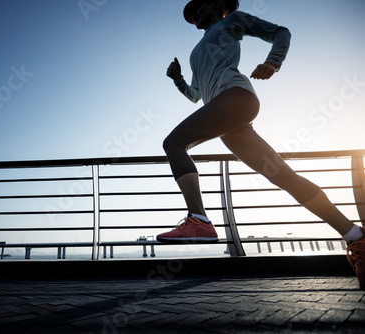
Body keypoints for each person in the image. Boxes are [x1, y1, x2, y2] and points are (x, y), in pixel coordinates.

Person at [156, 0, 365, 289]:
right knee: (284, 177)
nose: (195, 15)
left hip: (237, 98)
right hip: (229, 121)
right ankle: (355, 236)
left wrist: (273, 62)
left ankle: (199, 219)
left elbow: (281, 32)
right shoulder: (198, 52)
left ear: (218, 7)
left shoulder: (231, 22)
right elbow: (196, 95)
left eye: (199, 7)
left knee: (174, 142)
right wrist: (178, 79)